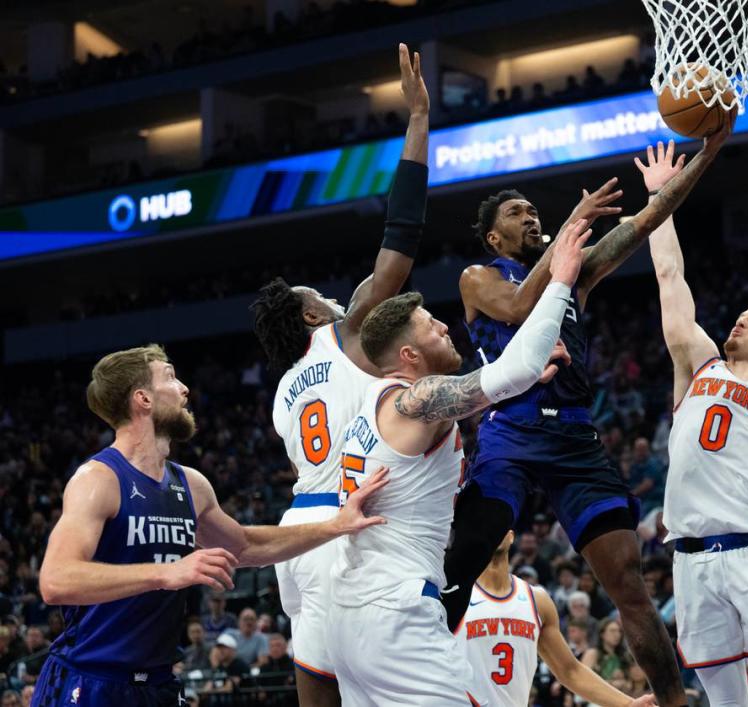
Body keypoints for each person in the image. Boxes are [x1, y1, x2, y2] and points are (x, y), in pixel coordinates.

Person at [443, 110, 734, 707]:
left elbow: (650, 218)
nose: (532, 218)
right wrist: (574, 226)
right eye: (516, 215)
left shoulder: (573, 276)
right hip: (511, 431)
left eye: (534, 211)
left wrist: (708, 151)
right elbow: (523, 307)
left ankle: (674, 703)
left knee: (628, 580)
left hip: (576, 438)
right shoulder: (480, 276)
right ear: (495, 237)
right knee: (465, 559)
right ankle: (412, 685)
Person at [327, 218, 593, 705]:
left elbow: (491, 384)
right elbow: (509, 373)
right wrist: (560, 279)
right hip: (397, 609)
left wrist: (522, 376)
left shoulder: (372, 406)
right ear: (409, 354)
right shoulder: (416, 399)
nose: (446, 326)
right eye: (431, 326)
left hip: (350, 613)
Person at [33, 344, 386, 707]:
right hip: (89, 680)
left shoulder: (191, 484)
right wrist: (165, 574)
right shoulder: (99, 478)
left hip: (158, 685)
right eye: (170, 377)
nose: (184, 388)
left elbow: (246, 546)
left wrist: (337, 525)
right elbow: (56, 580)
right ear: (143, 399)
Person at [250, 42, 429, 707]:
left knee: (316, 693)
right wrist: (416, 121)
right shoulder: (345, 330)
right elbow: (400, 240)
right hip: (344, 528)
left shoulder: (279, 394)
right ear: (306, 310)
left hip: (297, 533)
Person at [643, 141, 748, 706]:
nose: (742, 319)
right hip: (691, 560)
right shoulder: (699, 363)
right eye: (742, 314)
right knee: (723, 700)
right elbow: (670, 276)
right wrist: (659, 200)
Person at [455, 530, 654, 707]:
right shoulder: (452, 595)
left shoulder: (536, 600)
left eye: (499, 520)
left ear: (511, 534)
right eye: (486, 522)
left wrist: (628, 703)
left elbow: (569, 671)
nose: (493, 526)